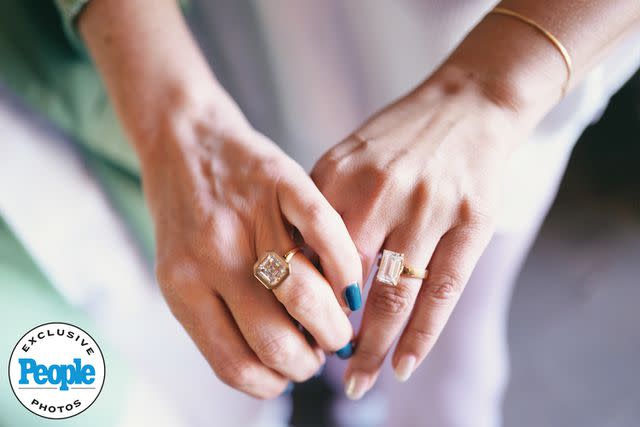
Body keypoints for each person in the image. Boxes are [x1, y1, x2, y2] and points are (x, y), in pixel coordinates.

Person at [1, 0, 639, 426]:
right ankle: (344, 389)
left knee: (440, 327)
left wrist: (491, 88)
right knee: (290, 269)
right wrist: (180, 121)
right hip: (227, 25)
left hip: (509, 29)